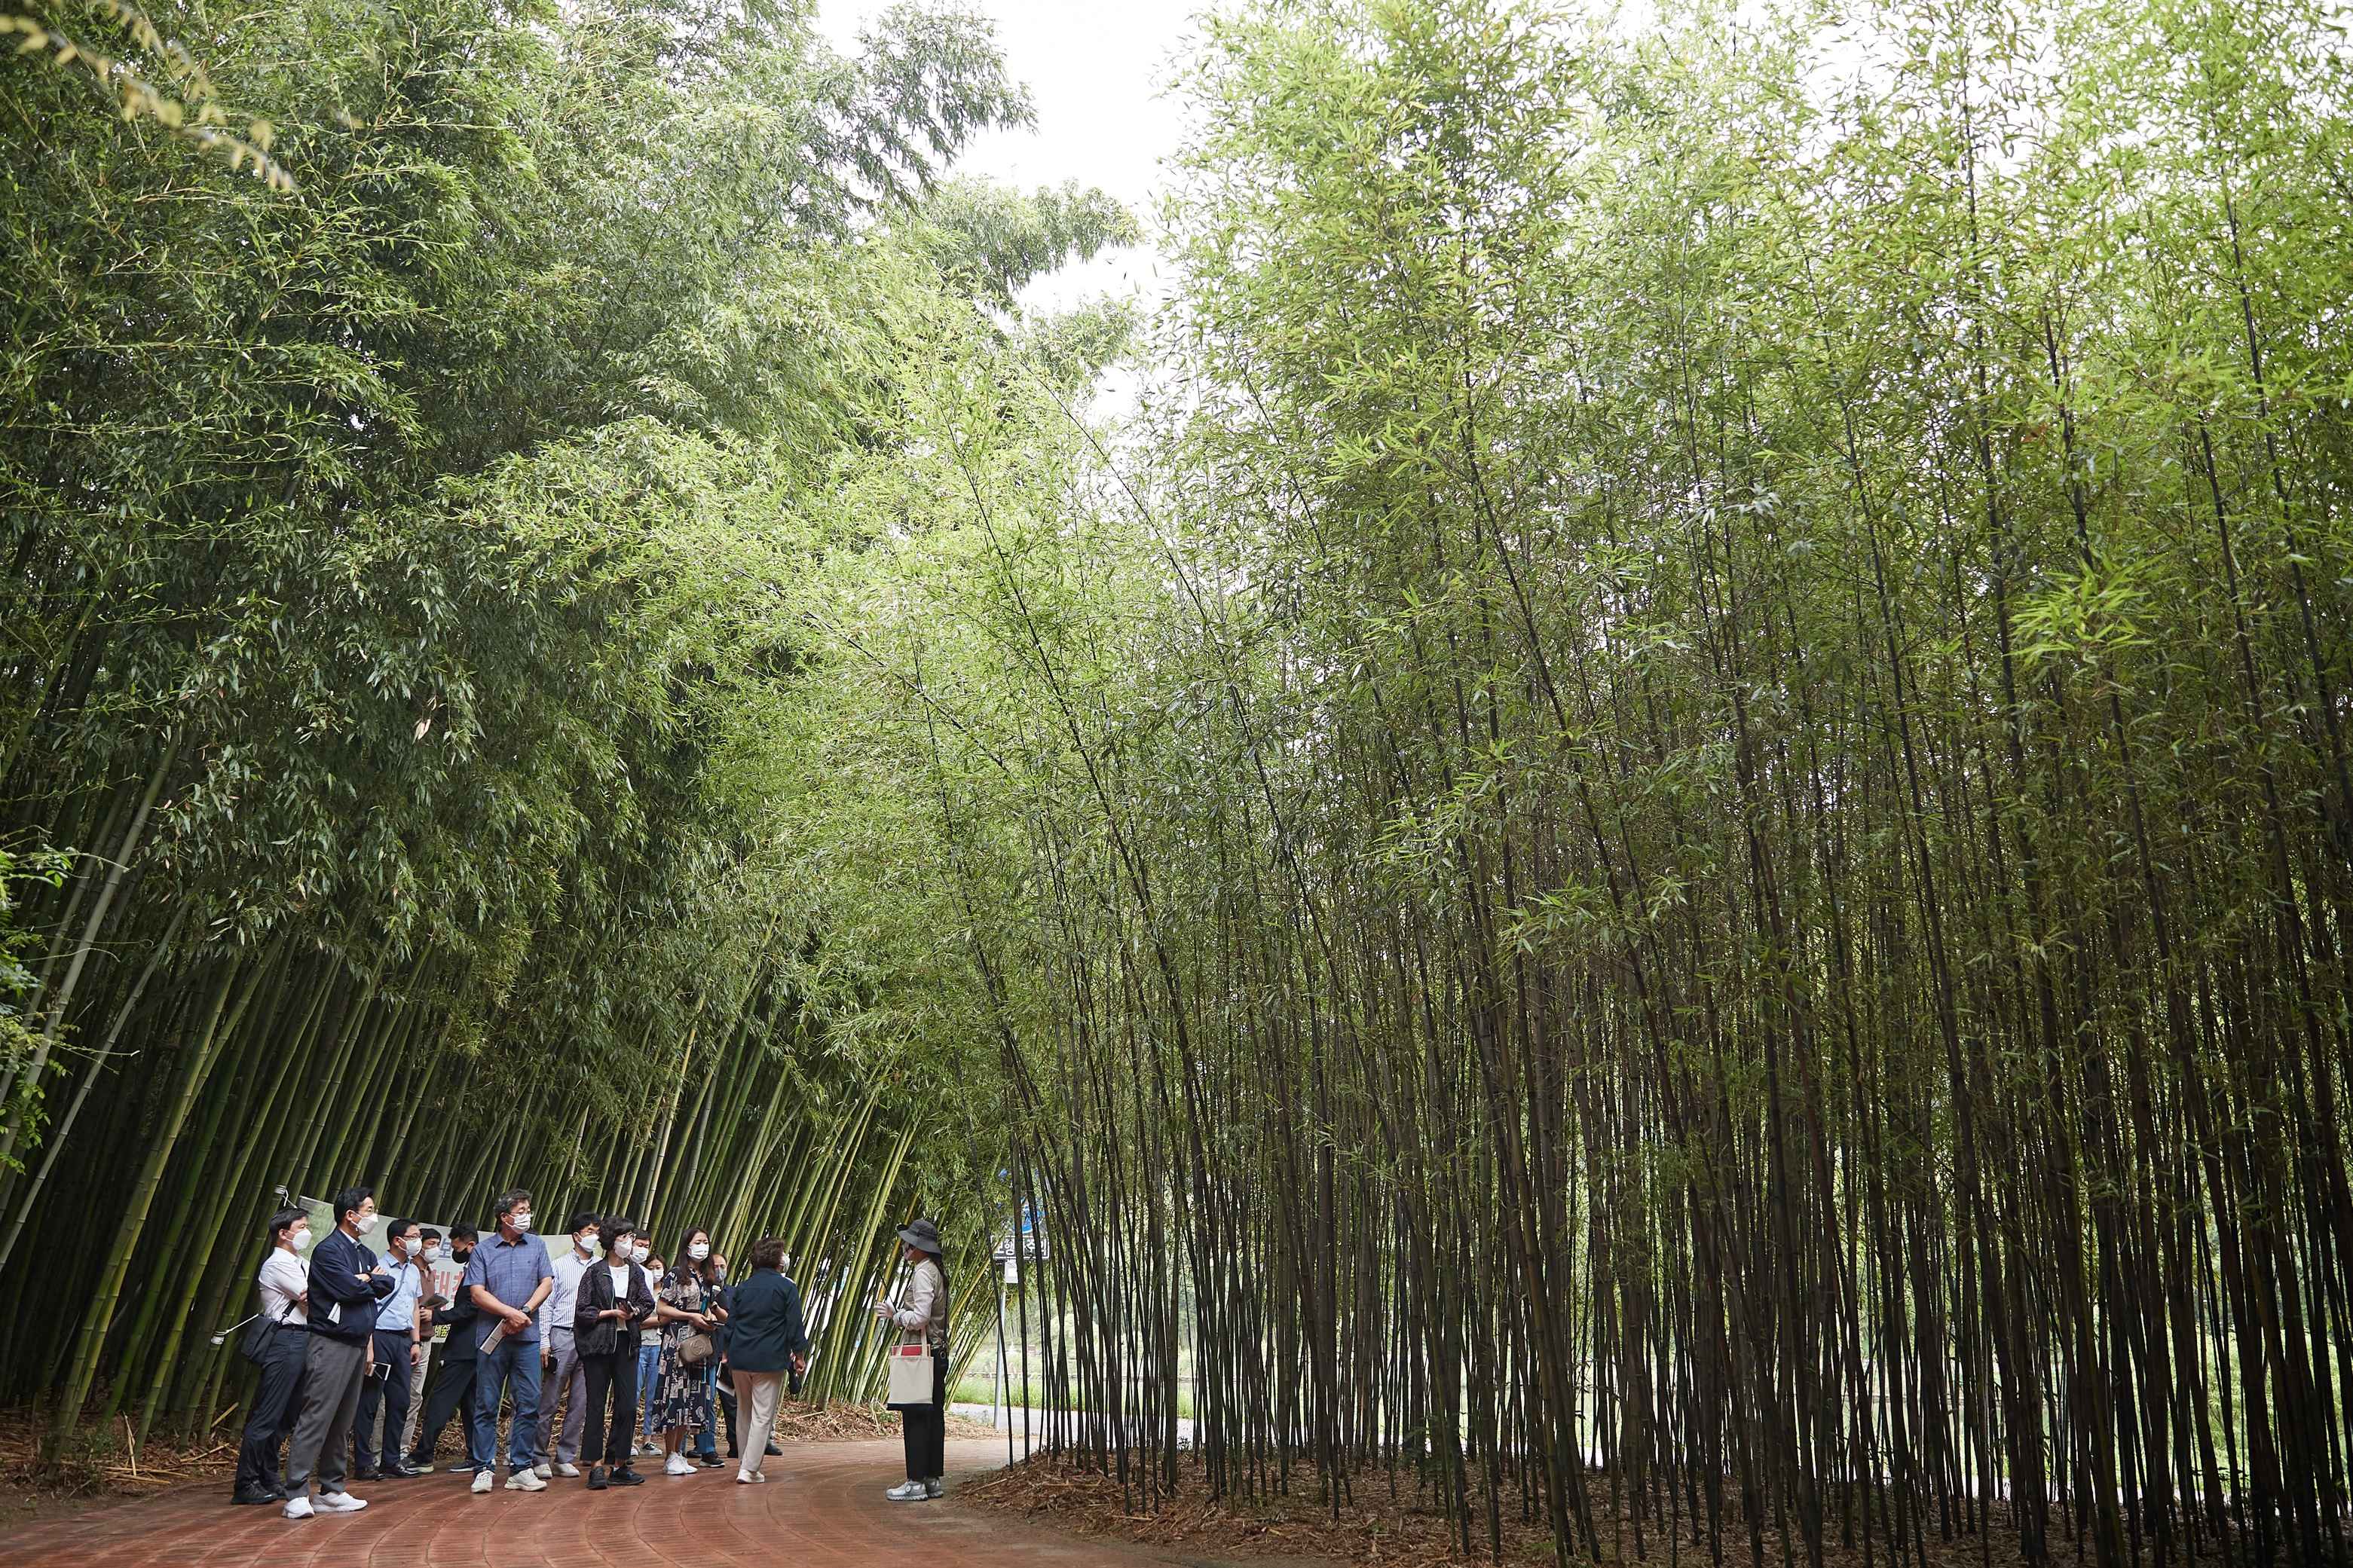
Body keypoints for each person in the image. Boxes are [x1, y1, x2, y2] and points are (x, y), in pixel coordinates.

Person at [281, 1185, 397, 1520]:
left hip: (359, 1344)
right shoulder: (328, 1250)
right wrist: (365, 1282)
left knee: (343, 1420)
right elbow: (348, 1289)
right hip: (331, 1343)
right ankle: (297, 1492)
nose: (373, 1216)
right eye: (370, 1210)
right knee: (317, 1415)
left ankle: (332, 1489)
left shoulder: (365, 1253)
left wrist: (367, 1281)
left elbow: (385, 1284)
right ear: (351, 1215)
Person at [462, 1187, 553, 1493]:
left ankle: (521, 1468)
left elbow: (547, 1282)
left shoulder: (537, 1246)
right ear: (505, 1217)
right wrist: (508, 1314)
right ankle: (484, 1468)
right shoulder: (483, 1250)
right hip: (493, 1337)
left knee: (528, 1403)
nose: (527, 1215)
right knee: (486, 1404)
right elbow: (476, 1292)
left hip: (527, 1337)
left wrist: (524, 1312)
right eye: (521, 1210)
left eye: (528, 1209)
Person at [231, 1207, 311, 1505]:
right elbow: (311, 1298)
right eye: (301, 1227)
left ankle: (268, 1475)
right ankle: (245, 1482)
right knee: (268, 1414)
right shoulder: (277, 1264)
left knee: (287, 1416)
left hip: (304, 1339)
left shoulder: (302, 1262)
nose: (306, 1232)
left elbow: (318, 1296)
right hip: (285, 1339)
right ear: (283, 1233)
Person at [573, 1216, 656, 1490]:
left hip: (627, 1343)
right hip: (598, 1344)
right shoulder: (595, 1272)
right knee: (596, 1405)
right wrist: (610, 1313)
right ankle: (595, 1465)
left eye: (630, 1238)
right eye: (624, 1238)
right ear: (611, 1242)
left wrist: (634, 1311)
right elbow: (582, 1311)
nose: (629, 1243)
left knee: (628, 1405)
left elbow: (647, 1302)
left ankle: (619, 1463)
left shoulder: (635, 1271)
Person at [722, 1236, 807, 1484]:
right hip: (769, 1359)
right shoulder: (786, 1287)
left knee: (744, 1412)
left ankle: (744, 1464)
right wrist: (799, 1355)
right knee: (762, 1415)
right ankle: (748, 1469)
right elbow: (794, 1325)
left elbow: (731, 1323)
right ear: (778, 1260)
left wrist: (726, 1352)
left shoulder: (743, 1287)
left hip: (740, 1356)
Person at [874, 1215, 948, 1502]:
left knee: (916, 1415)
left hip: (922, 1355)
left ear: (919, 1246)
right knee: (933, 1417)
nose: (904, 1247)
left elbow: (920, 1318)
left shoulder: (922, 1272)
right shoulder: (936, 1270)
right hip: (938, 1354)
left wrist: (896, 1315)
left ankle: (915, 1483)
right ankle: (931, 1480)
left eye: (908, 1243)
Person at [351, 1216, 428, 1480]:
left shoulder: (414, 1270)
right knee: (370, 1401)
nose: (418, 1242)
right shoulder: (378, 1266)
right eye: (414, 1236)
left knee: (400, 1400)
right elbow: (366, 1304)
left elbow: (415, 1307)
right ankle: (364, 1463)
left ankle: (392, 1460)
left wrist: (416, 1340)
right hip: (379, 1337)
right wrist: (370, 1343)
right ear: (398, 1240)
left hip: (403, 1341)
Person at [404, 1225, 479, 1472]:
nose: (454, 1252)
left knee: (441, 1400)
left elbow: (471, 1309)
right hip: (477, 1347)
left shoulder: (478, 1271)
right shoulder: (474, 1269)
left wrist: (437, 1316)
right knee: (473, 1404)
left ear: (470, 1245)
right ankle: (476, 1455)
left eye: (455, 1247)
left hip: (465, 1348)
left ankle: (424, 1454)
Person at [533, 1211, 600, 1478]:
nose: (594, 1237)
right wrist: (545, 1341)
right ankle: (538, 1456)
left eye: (597, 1233)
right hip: (563, 1334)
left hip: (592, 1337)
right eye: (589, 1232)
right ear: (576, 1236)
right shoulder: (559, 1265)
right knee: (549, 1398)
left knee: (581, 1401)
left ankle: (565, 1456)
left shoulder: (600, 1267)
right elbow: (546, 1305)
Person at [649, 1227, 720, 1477]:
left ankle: (679, 1453)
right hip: (677, 1344)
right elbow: (662, 1308)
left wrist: (709, 1317)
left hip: (698, 1345)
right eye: (698, 1242)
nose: (703, 1246)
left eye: (706, 1242)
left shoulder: (708, 1277)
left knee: (691, 1398)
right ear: (687, 1246)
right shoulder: (676, 1275)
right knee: (675, 1397)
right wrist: (690, 1316)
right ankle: (670, 1454)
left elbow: (709, 1306)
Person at [398, 1228, 445, 1459]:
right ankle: (384, 1451)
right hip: (407, 1340)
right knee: (397, 1396)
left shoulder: (430, 1272)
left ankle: (403, 1450)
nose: (434, 1248)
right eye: (431, 1243)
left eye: (438, 1243)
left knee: (415, 1396)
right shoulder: (408, 1270)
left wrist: (433, 1312)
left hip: (427, 1338)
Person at [632, 1249, 665, 1456]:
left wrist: (647, 1322)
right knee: (632, 1394)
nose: (655, 1272)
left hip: (659, 1347)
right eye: (651, 1268)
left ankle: (648, 1438)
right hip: (639, 1345)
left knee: (654, 1395)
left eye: (659, 1268)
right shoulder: (638, 1289)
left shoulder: (666, 1294)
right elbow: (635, 1321)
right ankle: (629, 1439)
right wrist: (660, 1320)